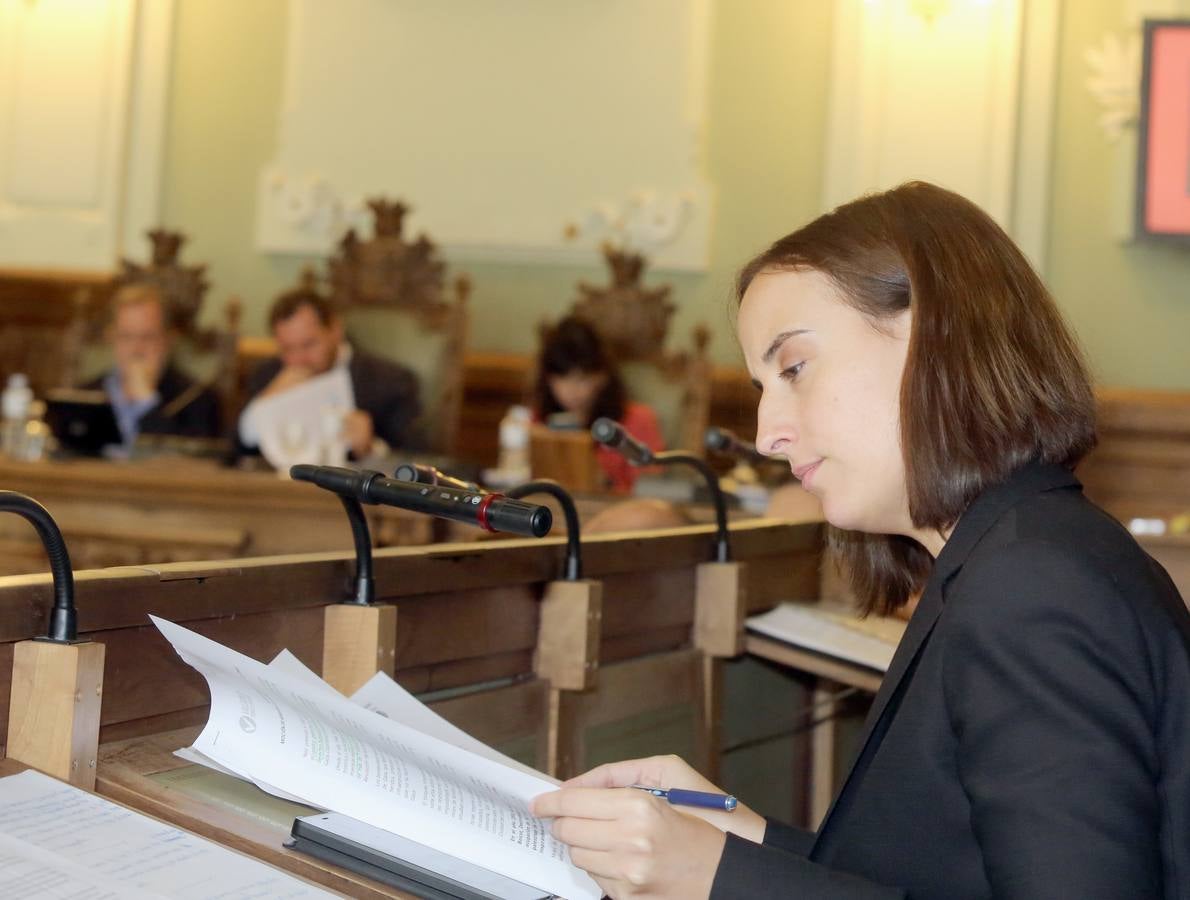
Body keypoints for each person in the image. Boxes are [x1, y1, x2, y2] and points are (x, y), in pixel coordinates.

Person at [531, 182, 1190, 899]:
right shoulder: (1006, 557)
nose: (767, 434)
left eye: (794, 368)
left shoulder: (1032, 586)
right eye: (761, 385)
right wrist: (737, 836)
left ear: (933, 335)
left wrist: (716, 877)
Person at [238, 283, 421, 459]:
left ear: (335, 330)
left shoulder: (390, 382)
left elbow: (417, 459)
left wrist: (371, 448)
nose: (298, 359)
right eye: (287, 349)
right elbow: (235, 451)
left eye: (308, 344)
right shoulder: (268, 374)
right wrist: (267, 400)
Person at [534, 316, 663, 493]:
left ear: (602, 377)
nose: (571, 390)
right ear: (547, 379)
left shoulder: (638, 420)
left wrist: (604, 483)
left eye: (582, 379)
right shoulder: (537, 420)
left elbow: (650, 491)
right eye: (561, 379)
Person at [87, 283, 221, 446]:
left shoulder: (196, 399)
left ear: (169, 340)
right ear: (111, 337)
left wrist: (147, 402)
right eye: (126, 337)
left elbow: (186, 464)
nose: (136, 349)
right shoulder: (85, 393)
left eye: (147, 337)